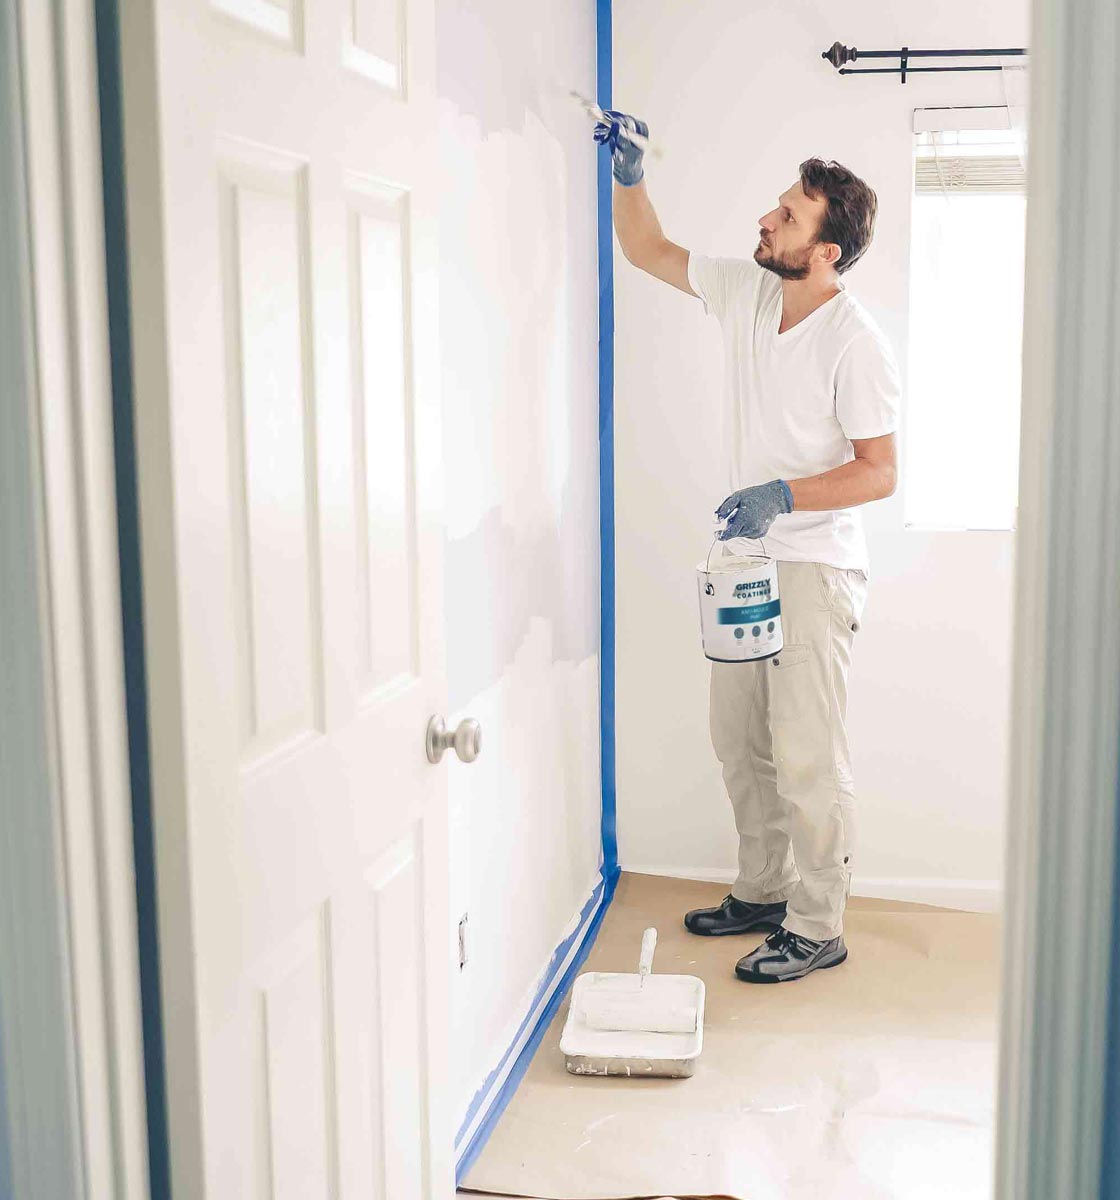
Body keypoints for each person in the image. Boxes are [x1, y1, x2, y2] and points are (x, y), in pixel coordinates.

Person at [595, 110, 901, 983]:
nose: (767, 222)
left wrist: (784, 496)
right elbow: (649, 251)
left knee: (808, 752)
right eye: (775, 209)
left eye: (789, 217)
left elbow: (878, 472)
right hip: (747, 566)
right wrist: (631, 178)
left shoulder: (855, 343)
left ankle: (817, 922)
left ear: (827, 250)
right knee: (740, 740)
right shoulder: (750, 289)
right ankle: (765, 889)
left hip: (814, 567)